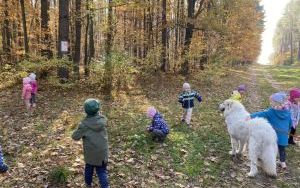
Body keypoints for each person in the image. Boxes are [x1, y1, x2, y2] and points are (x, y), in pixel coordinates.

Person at [72, 99, 109, 188]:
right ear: (98, 109)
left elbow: (75, 137)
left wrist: (79, 128)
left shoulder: (84, 125)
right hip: (102, 152)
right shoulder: (103, 120)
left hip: (91, 153)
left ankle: (88, 184)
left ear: (86, 111)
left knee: (89, 169)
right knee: (101, 171)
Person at [250, 92, 292, 169]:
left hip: (272, 136)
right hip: (283, 136)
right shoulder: (288, 112)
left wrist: (250, 116)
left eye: (271, 101)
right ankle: (283, 163)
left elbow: (261, 114)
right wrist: (288, 130)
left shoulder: (271, 111)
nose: (270, 103)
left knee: (270, 149)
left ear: (275, 103)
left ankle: (264, 158)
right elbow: (290, 123)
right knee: (282, 149)